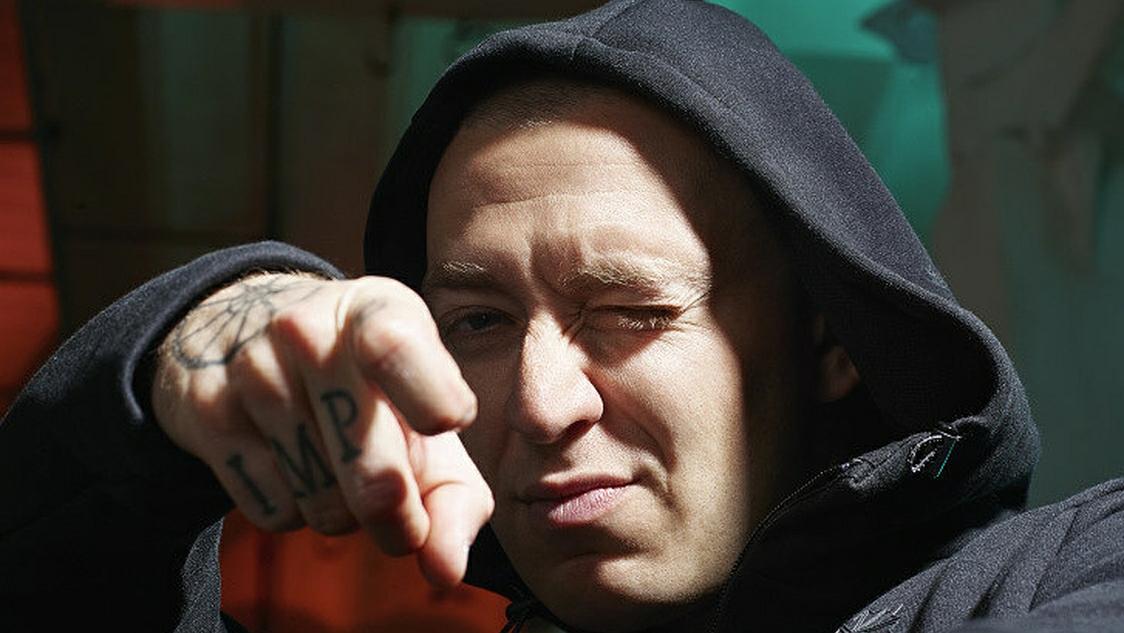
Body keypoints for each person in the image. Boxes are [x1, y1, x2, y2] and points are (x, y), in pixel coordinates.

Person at [1, 1, 1121, 631]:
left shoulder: (1079, 568)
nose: (539, 408)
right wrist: (182, 341)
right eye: (477, 322)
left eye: (628, 309)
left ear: (827, 334)